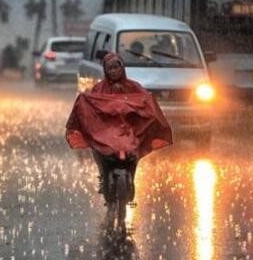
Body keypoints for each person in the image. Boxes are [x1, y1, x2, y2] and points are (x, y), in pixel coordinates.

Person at [65, 53, 172, 199]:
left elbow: (145, 103)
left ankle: (130, 180)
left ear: (122, 68)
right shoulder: (99, 89)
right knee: (97, 149)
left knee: (133, 155)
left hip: (128, 132)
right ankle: (104, 177)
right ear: (105, 70)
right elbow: (92, 109)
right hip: (106, 133)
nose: (114, 71)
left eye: (116, 67)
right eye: (110, 68)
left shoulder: (134, 87)